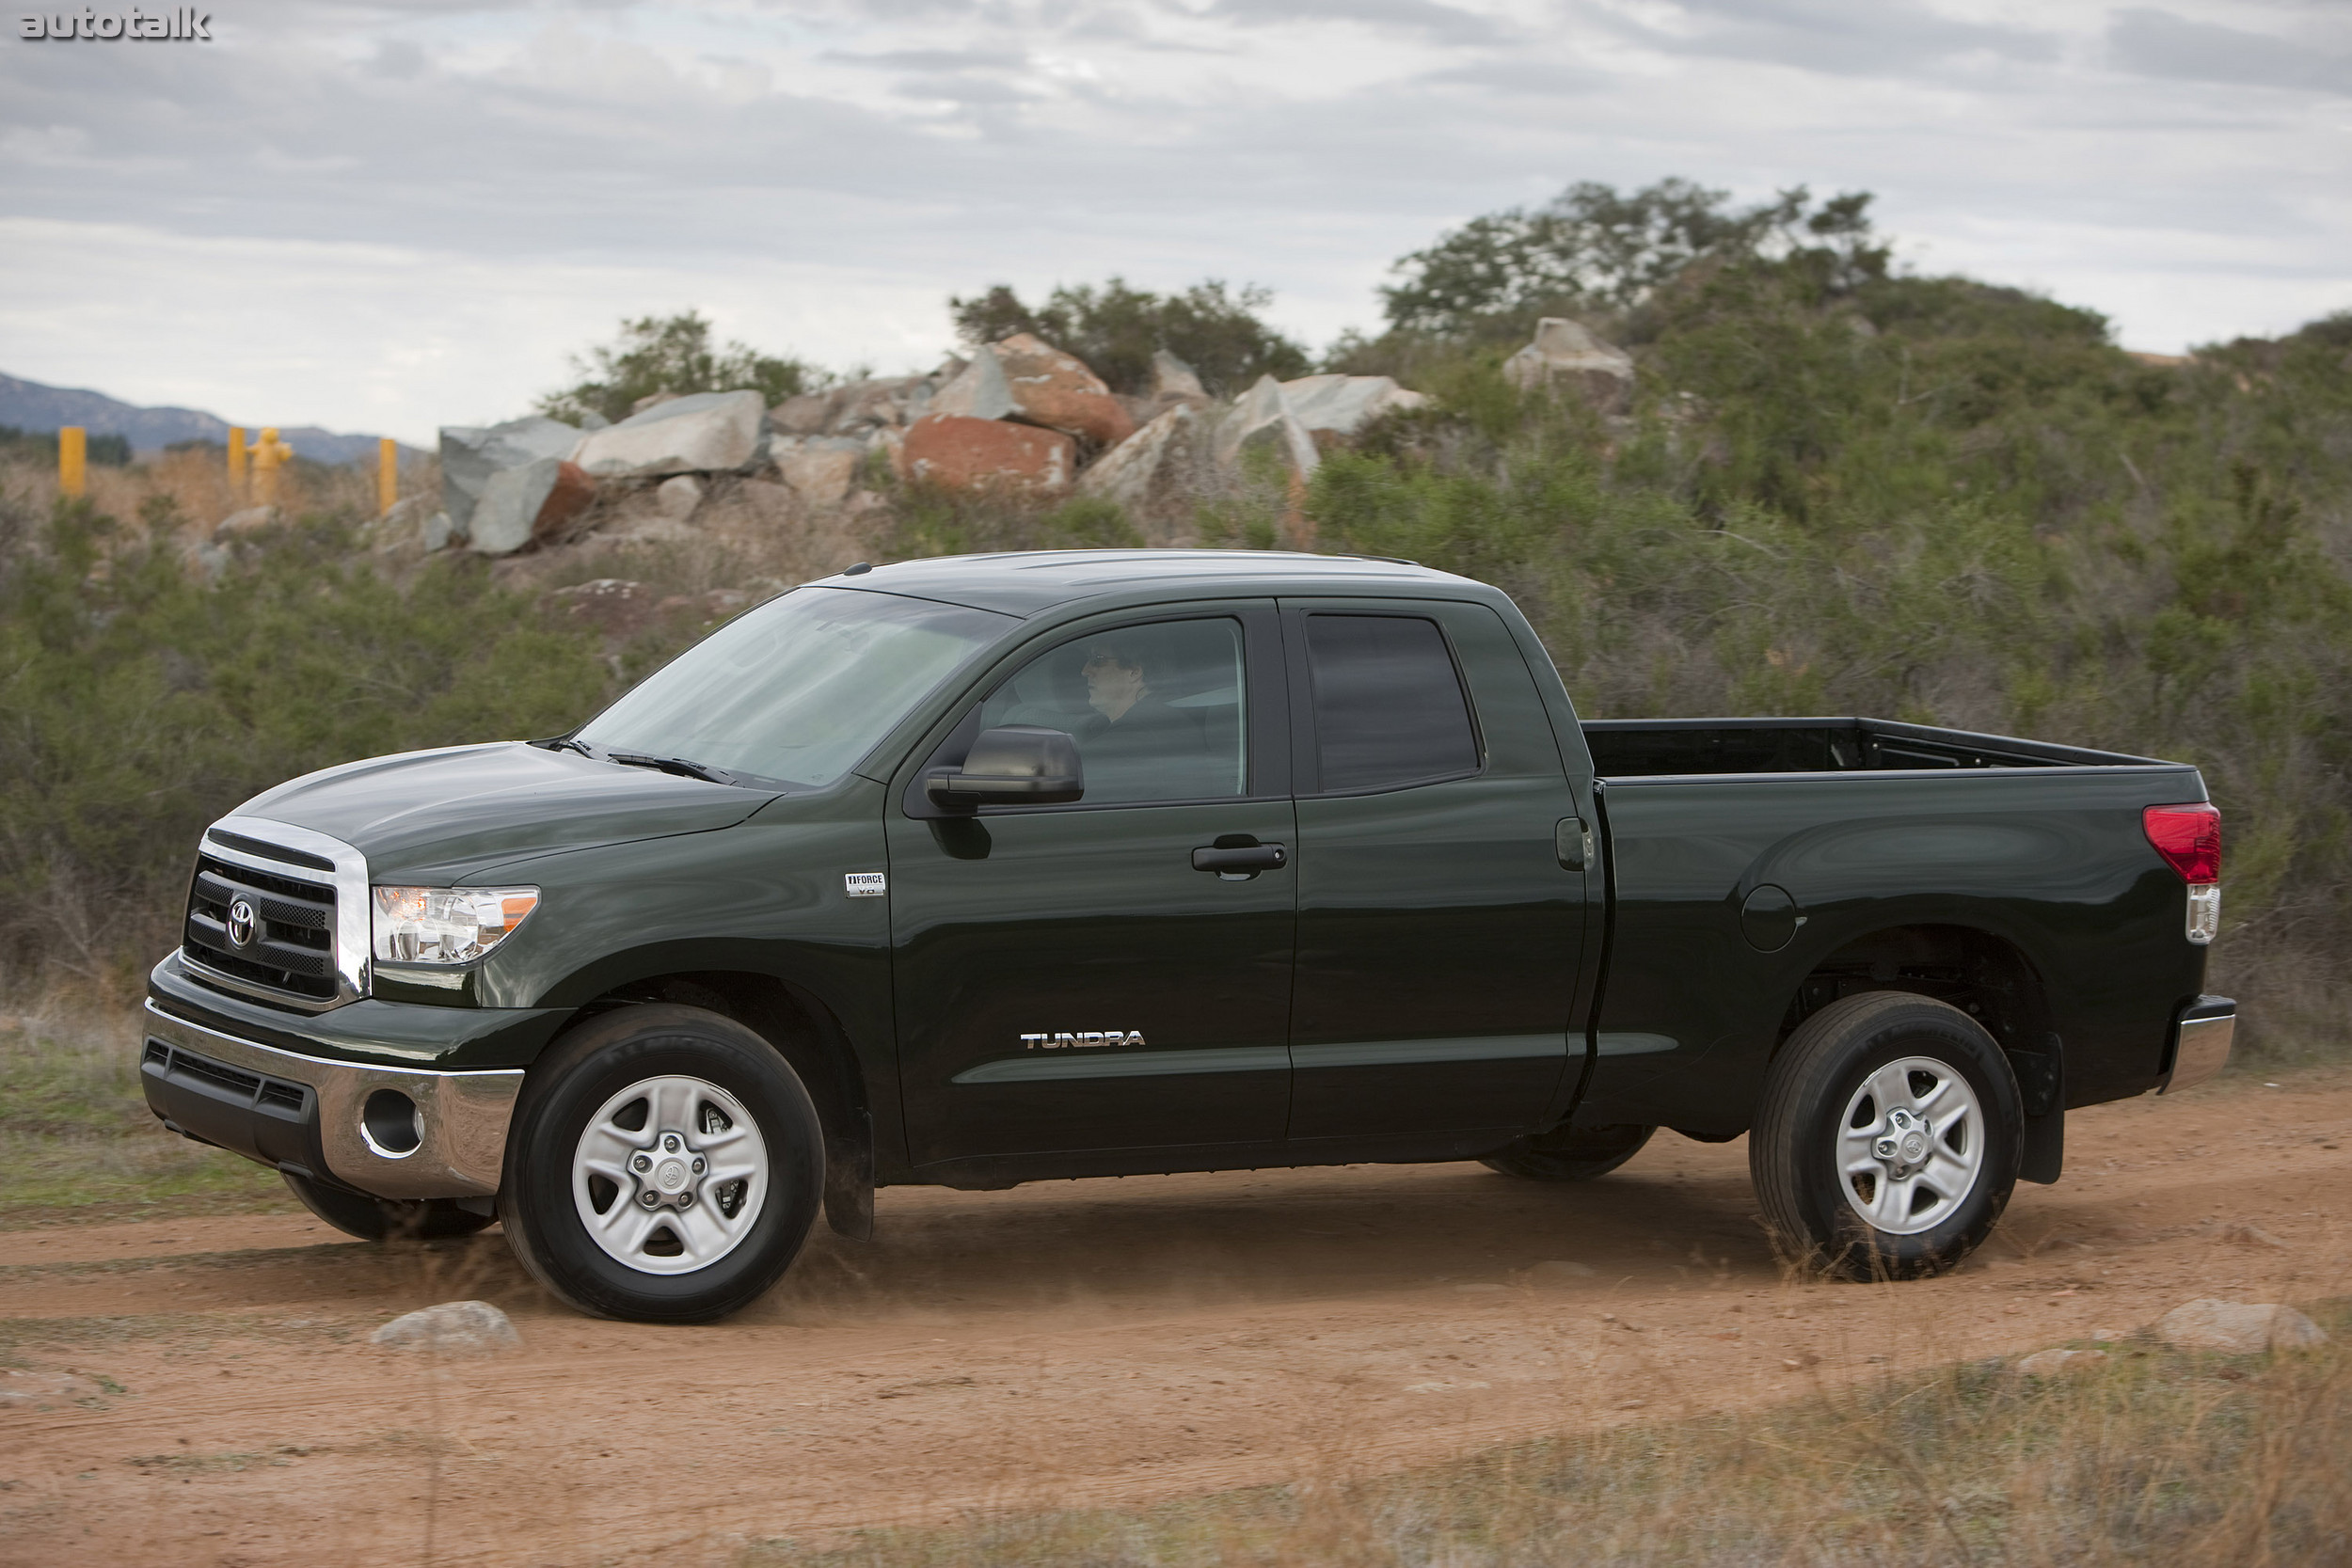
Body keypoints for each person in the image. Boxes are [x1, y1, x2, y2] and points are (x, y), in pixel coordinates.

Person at [1072, 638, 1211, 800]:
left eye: (1097, 660)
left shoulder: (1134, 737)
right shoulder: (1166, 723)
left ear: (1134, 672)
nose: (1085, 670)